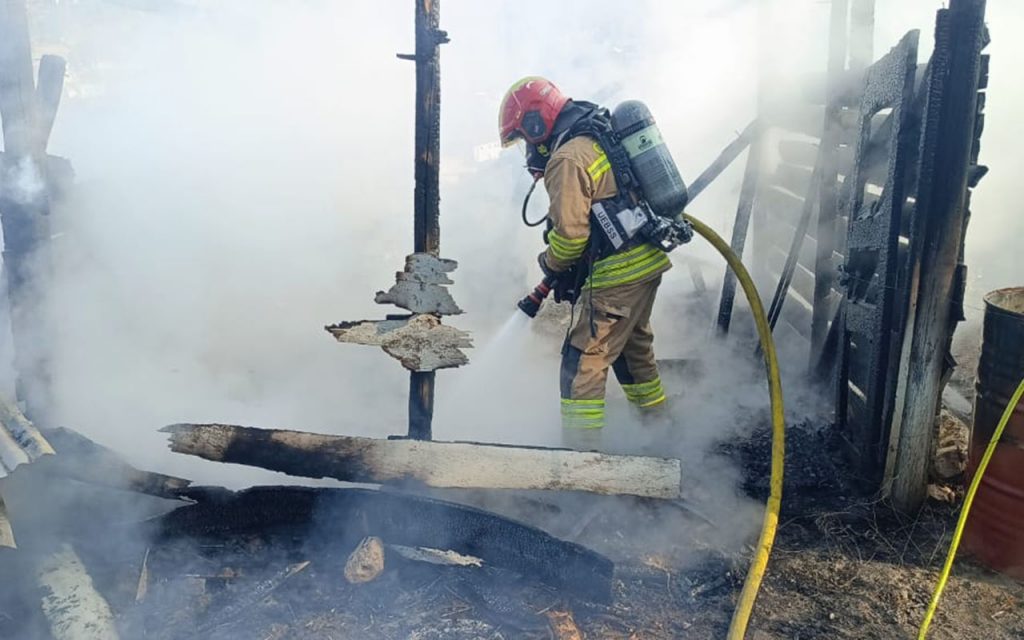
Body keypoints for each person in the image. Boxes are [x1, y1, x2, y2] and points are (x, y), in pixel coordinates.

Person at [498, 77, 671, 450]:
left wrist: (550, 261)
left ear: (535, 124)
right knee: (633, 354)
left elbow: (571, 238)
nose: (527, 148)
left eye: (524, 138)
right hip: (644, 266)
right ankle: (660, 435)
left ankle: (581, 462)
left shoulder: (566, 159)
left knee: (582, 366)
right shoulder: (594, 136)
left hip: (616, 277)